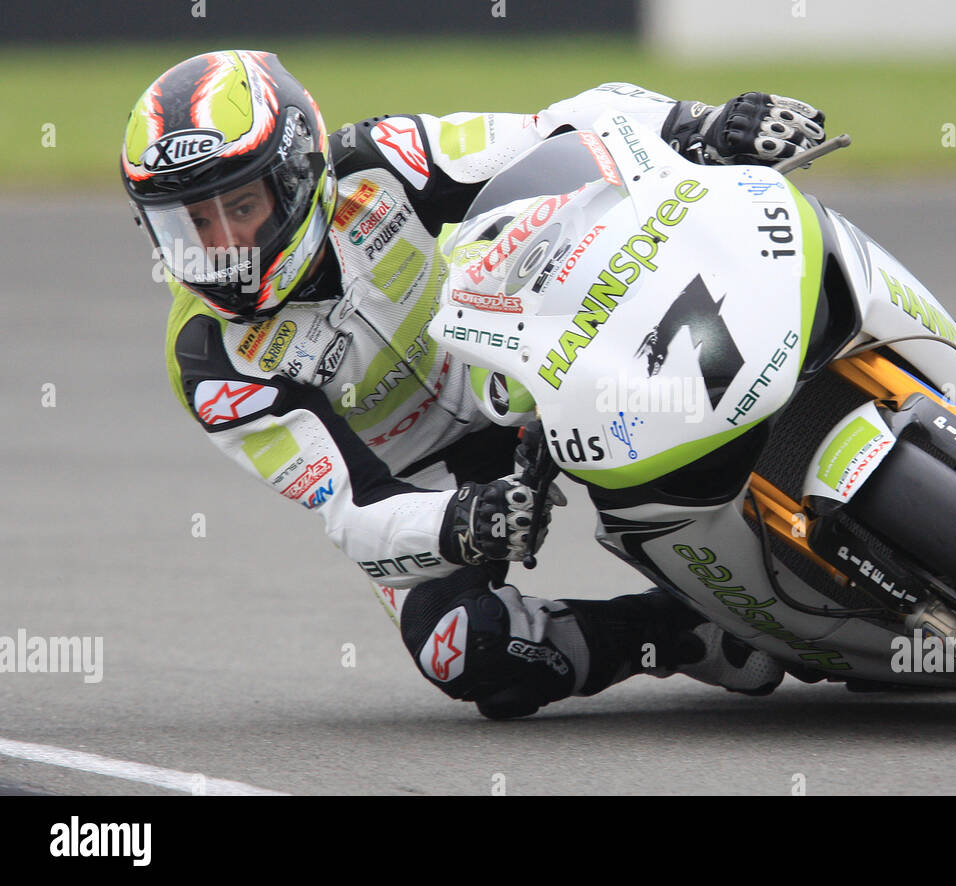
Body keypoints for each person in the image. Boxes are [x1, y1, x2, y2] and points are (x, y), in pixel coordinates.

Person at [122, 50, 828, 719]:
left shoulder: (378, 160)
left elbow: (556, 129)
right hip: (423, 473)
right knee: (460, 648)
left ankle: (830, 372)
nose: (223, 246)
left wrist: (698, 122)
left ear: (300, 174)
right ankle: (686, 634)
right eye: (191, 223)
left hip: (516, 351)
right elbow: (351, 511)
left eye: (241, 207)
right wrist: (457, 522)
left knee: (674, 338)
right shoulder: (210, 359)